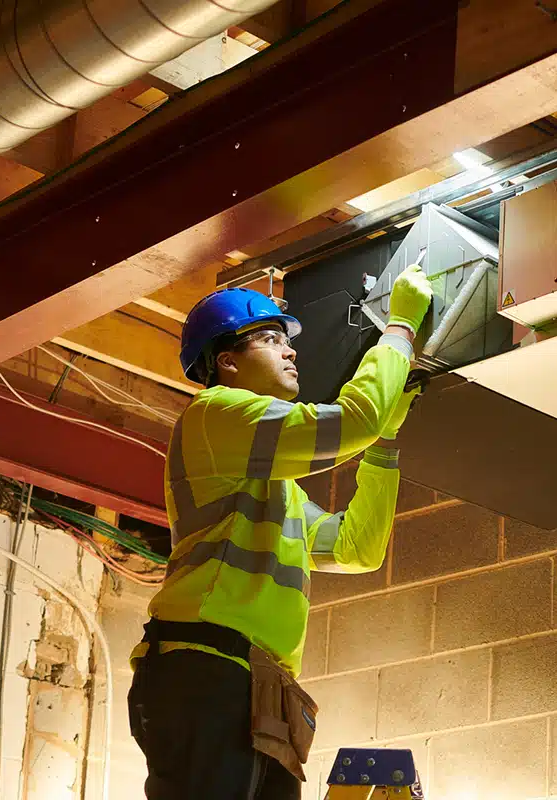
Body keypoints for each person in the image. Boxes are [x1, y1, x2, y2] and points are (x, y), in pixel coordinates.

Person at [127, 264, 434, 799]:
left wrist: (384, 446)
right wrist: (400, 327)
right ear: (227, 362)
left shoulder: (276, 490)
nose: (291, 350)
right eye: (270, 339)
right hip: (204, 668)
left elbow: (355, 549)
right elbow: (352, 421)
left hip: (257, 683)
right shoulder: (213, 413)